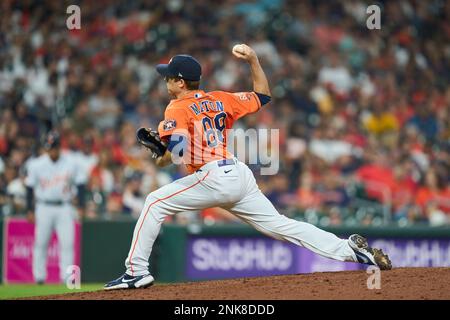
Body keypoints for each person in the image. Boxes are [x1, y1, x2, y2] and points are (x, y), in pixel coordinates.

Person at [105, 45, 391, 290]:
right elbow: (263, 96)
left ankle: (136, 271)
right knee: (282, 225)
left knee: (154, 202)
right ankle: (350, 250)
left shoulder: (175, 108)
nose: (165, 80)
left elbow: (178, 153)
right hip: (239, 175)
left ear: (180, 82)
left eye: (168, 76)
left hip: (213, 177)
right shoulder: (221, 98)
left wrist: (162, 150)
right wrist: (254, 60)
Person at [25, 131, 87, 284]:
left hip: (64, 207)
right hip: (43, 206)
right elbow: (29, 187)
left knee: (67, 243)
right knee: (41, 242)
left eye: (54, 147)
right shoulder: (36, 164)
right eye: (49, 147)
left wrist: (80, 205)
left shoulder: (71, 162)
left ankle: (68, 279)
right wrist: (30, 209)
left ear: (59, 147)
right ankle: (39, 278)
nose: (51, 150)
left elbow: (80, 184)